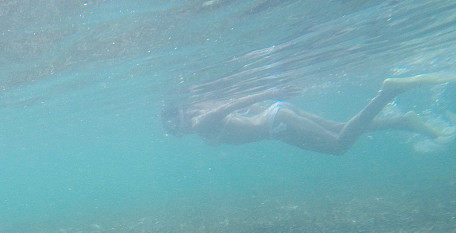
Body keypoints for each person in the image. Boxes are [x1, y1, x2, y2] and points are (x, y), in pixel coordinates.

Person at [162, 73, 456, 154]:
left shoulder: (201, 122)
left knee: (339, 144)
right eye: (172, 131)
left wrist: (268, 93)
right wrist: (269, 101)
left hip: (277, 124)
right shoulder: (203, 114)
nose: (176, 133)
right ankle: (404, 121)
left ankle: (388, 92)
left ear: (183, 114)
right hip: (277, 115)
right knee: (343, 126)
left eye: (173, 126)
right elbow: (237, 108)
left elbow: (231, 105)